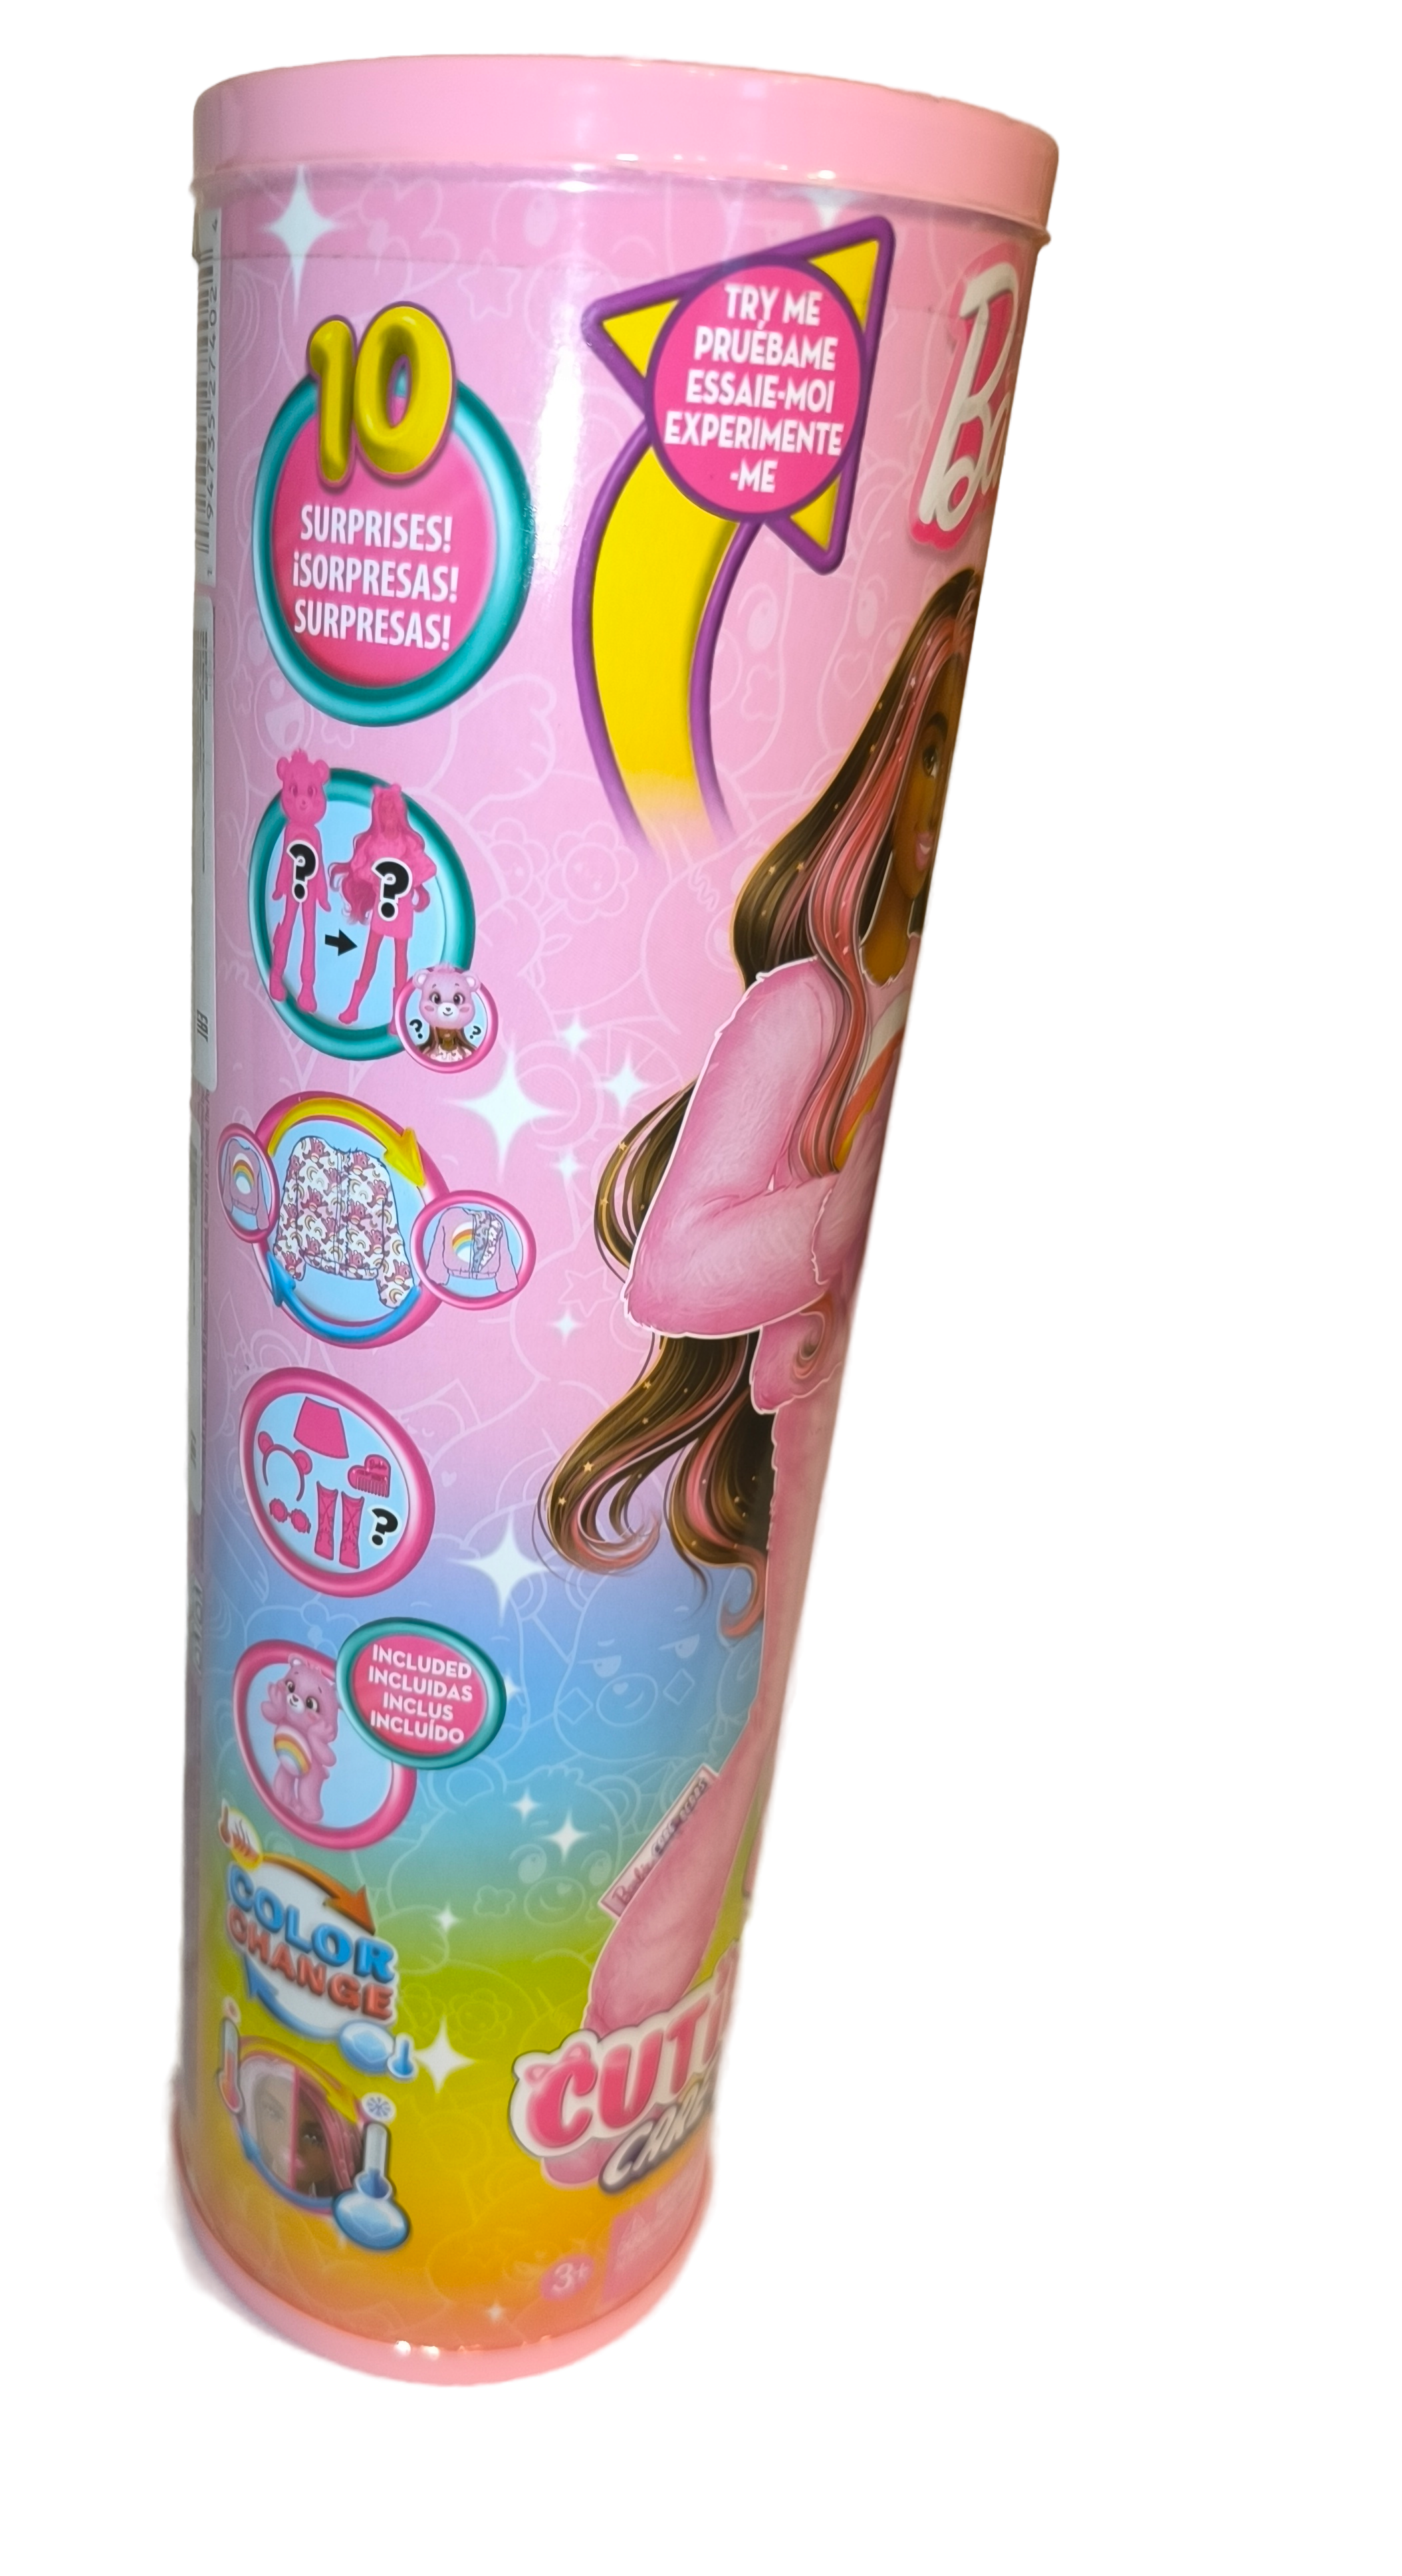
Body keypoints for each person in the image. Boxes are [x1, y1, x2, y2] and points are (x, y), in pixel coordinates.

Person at [538, 571, 983, 2134]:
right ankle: (617, 2047)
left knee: (755, 1746)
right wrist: (830, 1210)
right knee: (731, 1771)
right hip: (769, 1454)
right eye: (923, 749)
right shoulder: (804, 1012)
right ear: (887, 769)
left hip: (788, 1473)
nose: (929, 791)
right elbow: (675, 1268)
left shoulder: (870, 1019)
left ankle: (642, 2068)